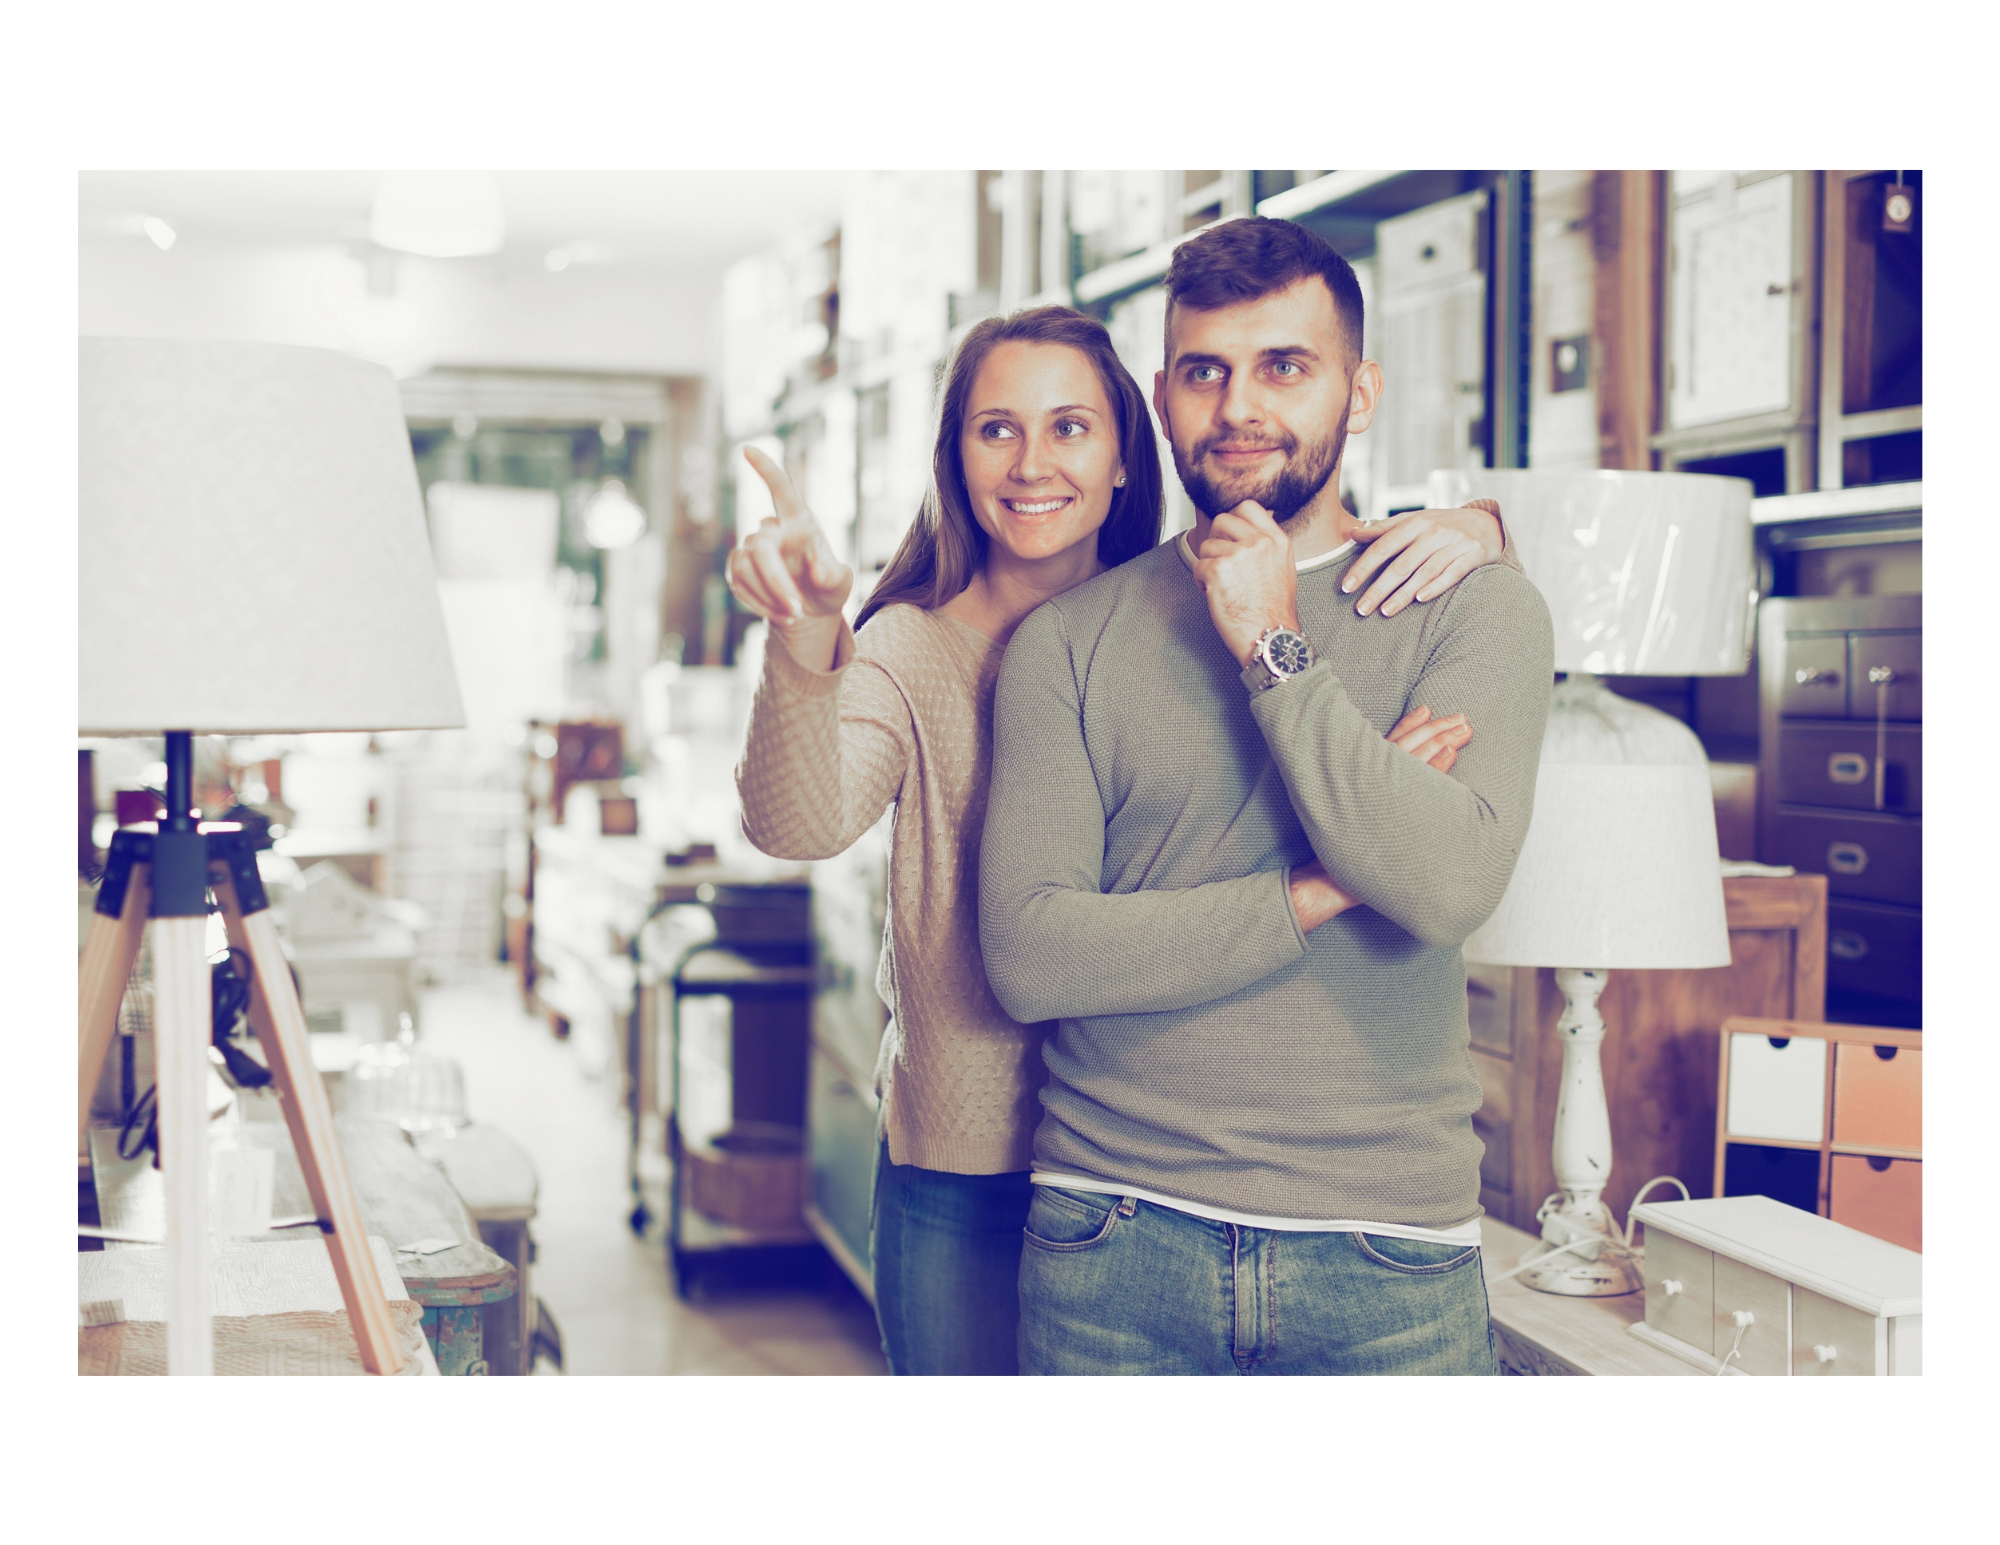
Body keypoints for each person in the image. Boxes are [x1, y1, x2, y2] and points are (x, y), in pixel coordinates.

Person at [727, 303, 1519, 1375]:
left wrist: (1482, 524)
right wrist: (804, 630)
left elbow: (1330, 551)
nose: (1030, 462)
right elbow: (796, 820)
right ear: (953, 459)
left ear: (1120, 454)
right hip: (974, 1168)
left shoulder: (1202, 606)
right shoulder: (912, 647)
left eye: (1069, 427)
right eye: (994, 429)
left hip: (1144, 1167)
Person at [978, 217, 1556, 1376]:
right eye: (1205, 372)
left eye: (1283, 367)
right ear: (1162, 397)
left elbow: (1443, 887)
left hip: (1384, 1252)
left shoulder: (1473, 607)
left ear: (1359, 389)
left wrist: (1271, 645)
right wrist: (1317, 890)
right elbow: (1033, 956)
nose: (1238, 406)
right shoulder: (1064, 643)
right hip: (1111, 1235)